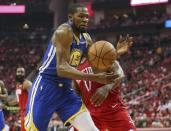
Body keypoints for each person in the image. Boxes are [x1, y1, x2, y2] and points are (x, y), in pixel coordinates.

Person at [24, 3, 128, 131]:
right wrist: (95, 78)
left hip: (66, 90)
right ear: (71, 17)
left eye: (87, 17)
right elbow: (61, 69)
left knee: (91, 130)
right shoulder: (64, 31)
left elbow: (96, 63)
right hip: (46, 86)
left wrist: (115, 53)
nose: (85, 20)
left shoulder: (86, 38)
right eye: (81, 16)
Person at [73, 59, 137, 131]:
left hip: (113, 111)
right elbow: (76, 93)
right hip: (91, 115)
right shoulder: (74, 67)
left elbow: (120, 73)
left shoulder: (100, 52)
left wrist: (107, 87)